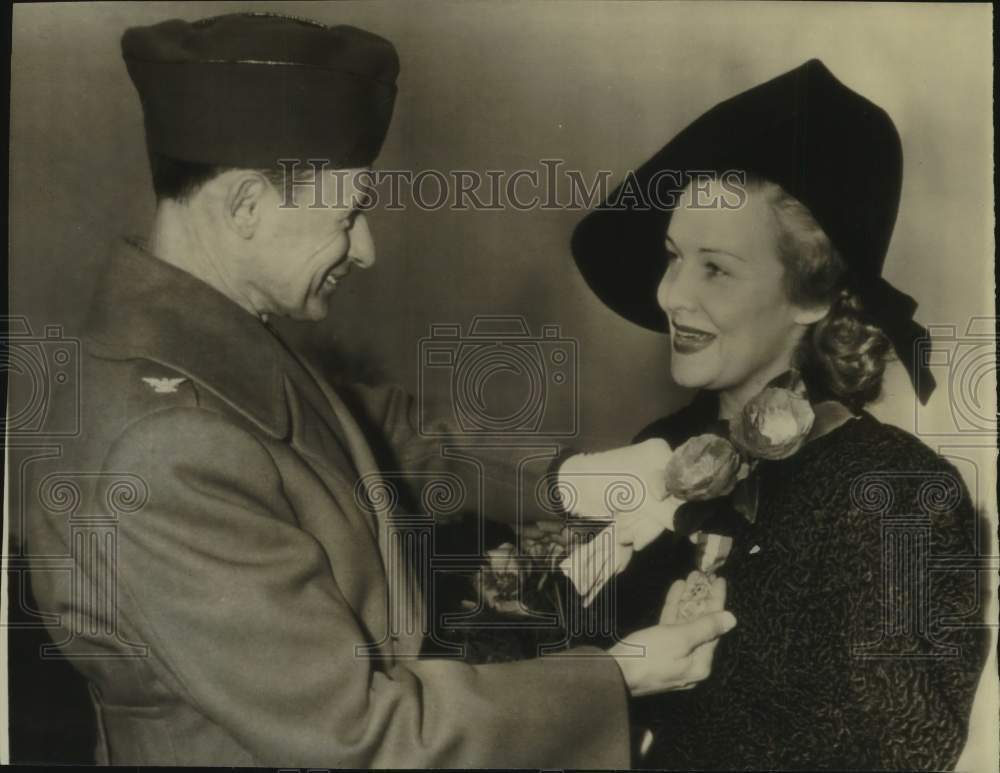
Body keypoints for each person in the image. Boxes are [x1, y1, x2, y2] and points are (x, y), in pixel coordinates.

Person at [21, 12, 736, 767]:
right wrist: (617, 677)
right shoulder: (163, 447)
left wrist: (575, 478)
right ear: (245, 208)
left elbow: (373, 437)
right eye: (349, 212)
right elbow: (364, 735)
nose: (365, 249)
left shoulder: (206, 348)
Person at [570, 59, 988, 769]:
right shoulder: (658, 451)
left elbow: (906, 750)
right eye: (673, 257)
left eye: (715, 267)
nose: (670, 295)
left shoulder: (898, 492)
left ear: (812, 297)